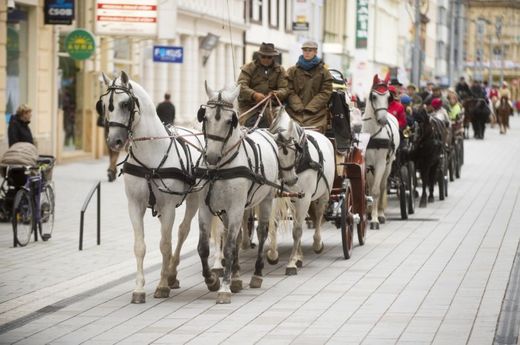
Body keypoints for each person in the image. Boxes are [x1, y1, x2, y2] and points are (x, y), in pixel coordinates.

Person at [237, 42, 289, 128]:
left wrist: (276, 94)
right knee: (251, 125)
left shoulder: (280, 70)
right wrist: (254, 95)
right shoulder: (248, 68)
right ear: (259, 56)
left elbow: (285, 89)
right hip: (249, 108)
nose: (266, 59)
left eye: (269, 57)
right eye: (263, 56)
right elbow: (241, 85)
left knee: (285, 127)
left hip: (272, 107)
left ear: (273, 57)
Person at [286, 40, 333, 133]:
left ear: (315, 52)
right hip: (294, 113)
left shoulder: (324, 72)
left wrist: (310, 108)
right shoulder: (292, 71)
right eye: (305, 50)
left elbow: (326, 92)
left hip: (316, 114)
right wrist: (297, 106)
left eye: (310, 50)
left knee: (314, 138)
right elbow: (288, 89)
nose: (307, 52)